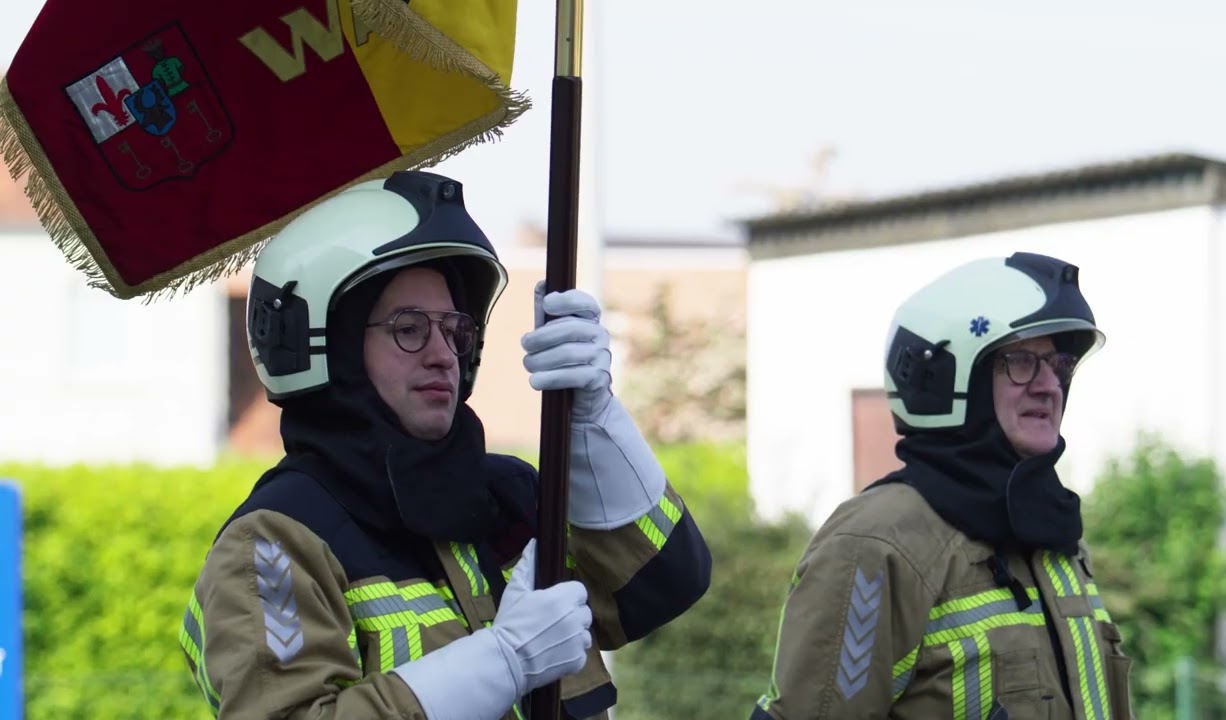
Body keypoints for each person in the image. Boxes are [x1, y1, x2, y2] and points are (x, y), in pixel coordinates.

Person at [178, 170, 712, 720]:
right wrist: (501, 662)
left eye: (455, 329)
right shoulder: (274, 543)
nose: (443, 355)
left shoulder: (507, 495)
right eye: (409, 328)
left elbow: (661, 583)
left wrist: (595, 423)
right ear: (324, 344)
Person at [751, 252, 1134, 719]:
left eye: (1057, 363)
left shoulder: (1054, 539)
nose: (1049, 385)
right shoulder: (875, 544)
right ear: (951, 375)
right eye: (1019, 361)